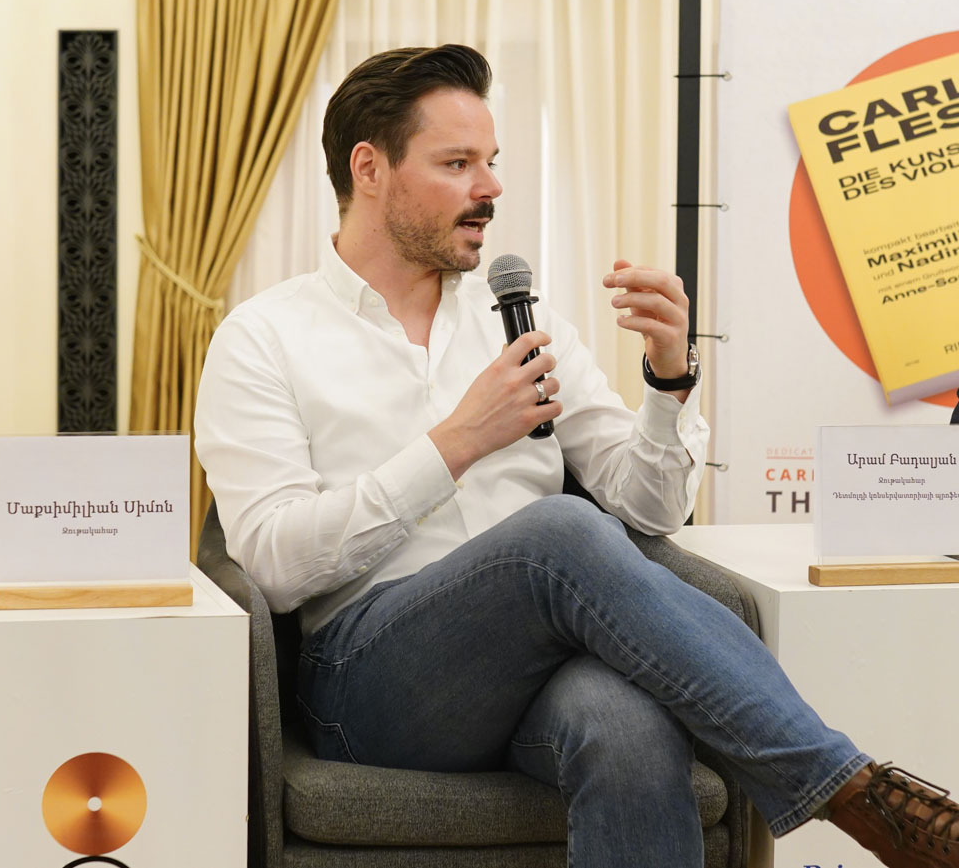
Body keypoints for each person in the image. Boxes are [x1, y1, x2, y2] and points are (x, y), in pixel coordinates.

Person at [194, 44, 959, 868]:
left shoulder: (525, 320)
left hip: (540, 666)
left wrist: (668, 379)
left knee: (626, 726)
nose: (491, 187)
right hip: (369, 680)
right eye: (458, 163)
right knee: (557, 531)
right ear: (369, 169)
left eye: (491, 161)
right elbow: (270, 564)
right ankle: (855, 794)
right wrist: (456, 442)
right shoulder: (263, 338)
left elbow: (650, 509)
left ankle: (871, 806)